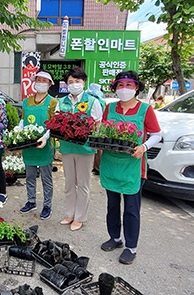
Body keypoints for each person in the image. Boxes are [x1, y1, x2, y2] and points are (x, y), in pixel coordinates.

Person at [100, 71, 161, 264]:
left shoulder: (145, 109)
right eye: (120, 85)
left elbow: (157, 134)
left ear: (136, 88)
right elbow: (102, 131)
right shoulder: (109, 108)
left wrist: (144, 147)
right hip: (111, 164)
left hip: (133, 167)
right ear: (115, 88)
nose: (124, 88)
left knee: (131, 209)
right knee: (112, 205)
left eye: (129, 85)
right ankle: (115, 238)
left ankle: (131, 247)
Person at [55, 67, 103, 231]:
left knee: (83, 184)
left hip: (85, 148)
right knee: (69, 183)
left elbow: (98, 124)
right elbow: (56, 123)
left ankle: (80, 217)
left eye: (77, 81)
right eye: (70, 82)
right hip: (67, 147)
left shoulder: (92, 101)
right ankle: (70, 213)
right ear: (66, 84)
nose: (74, 84)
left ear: (84, 82)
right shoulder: (61, 102)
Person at [19, 71, 58, 220]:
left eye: (44, 80)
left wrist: (45, 137)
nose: (40, 82)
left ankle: (47, 205)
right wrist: (19, 131)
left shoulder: (53, 102)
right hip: (29, 144)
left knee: (46, 177)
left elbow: (54, 124)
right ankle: (31, 201)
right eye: (38, 80)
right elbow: (23, 119)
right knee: (29, 175)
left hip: (45, 144)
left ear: (49, 84)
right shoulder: (26, 101)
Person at [86, 83, 106, 175]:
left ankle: (97, 167)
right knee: (97, 148)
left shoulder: (94, 101)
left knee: (96, 148)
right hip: (98, 126)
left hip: (94, 125)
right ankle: (97, 167)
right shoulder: (102, 101)